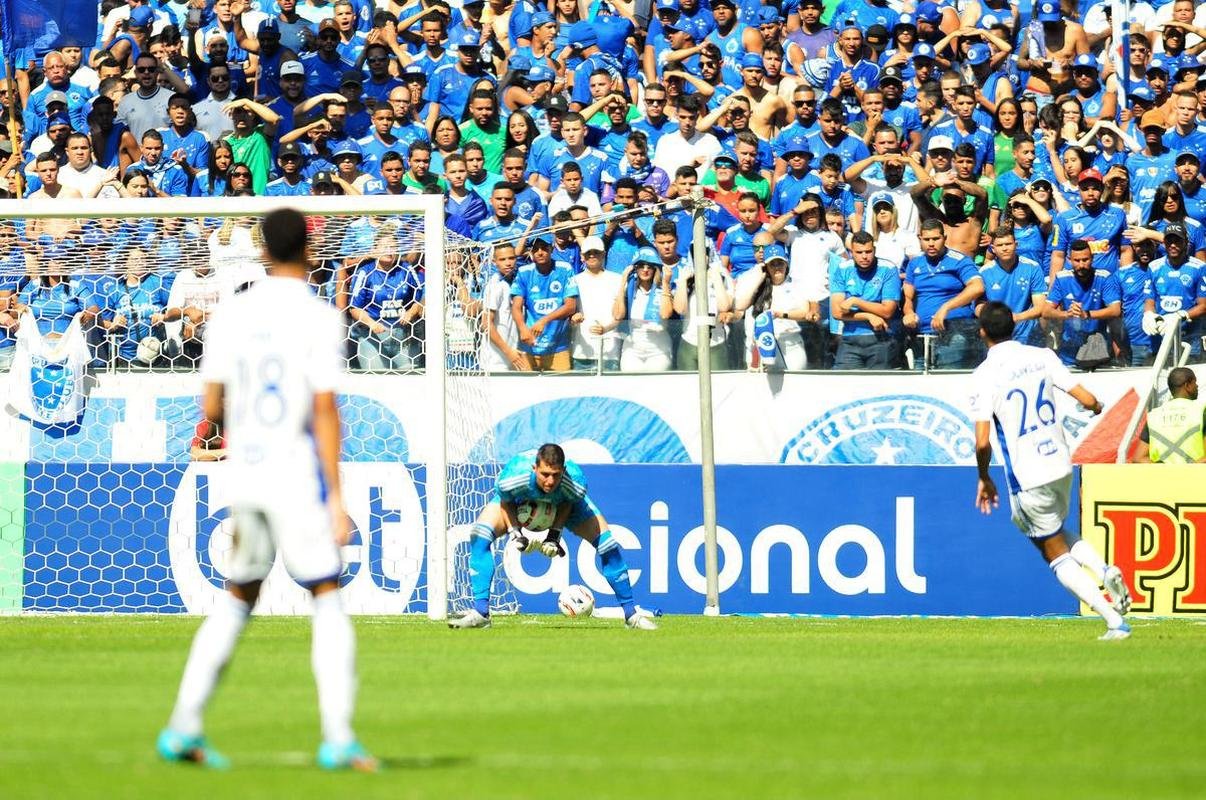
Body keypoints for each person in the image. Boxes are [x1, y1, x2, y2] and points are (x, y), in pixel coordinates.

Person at [157, 207, 376, 770]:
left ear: (262, 250)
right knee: (325, 592)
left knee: (239, 595)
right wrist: (336, 496)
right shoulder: (318, 316)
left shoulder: (233, 313)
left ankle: (182, 726)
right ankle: (339, 737)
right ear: (308, 249)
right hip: (294, 472)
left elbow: (211, 406)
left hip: (246, 472)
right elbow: (324, 410)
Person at [971, 301, 1133, 641]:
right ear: (1013, 325)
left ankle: (1113, 621)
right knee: (1055, 531)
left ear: (982, 332)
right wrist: (1096, 405)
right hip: (1061, 463)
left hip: (1028, 474)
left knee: (1050, 550)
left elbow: (983, 441)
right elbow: (1085, 398)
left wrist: (984, 477)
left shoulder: (984, 375)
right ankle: (1103, 568)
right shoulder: (1042, 356)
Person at [450, 443, 658, 630]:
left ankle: (631, 616)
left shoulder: (574, 482)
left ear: (563, 471)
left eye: (556, 475)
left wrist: (553, 536)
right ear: (534, 468)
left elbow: (568, 502)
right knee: (479, 535)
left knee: (608, 545)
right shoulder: (514, 476)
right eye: (544, 474)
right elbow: (506, 501)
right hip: (518, 502)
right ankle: (481, 613)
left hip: (566, 505)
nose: (550, 481)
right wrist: (516, 533)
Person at [1131, 367, 1206, 463]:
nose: (1197, 386)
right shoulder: (1202, 411)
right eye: (1194, 382)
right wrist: (1187, 468)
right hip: (1196, 472)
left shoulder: (1154, 416)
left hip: (1162, 473)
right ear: (1187, 385)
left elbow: (1138, 458)